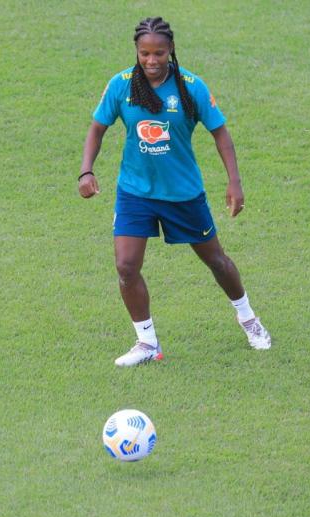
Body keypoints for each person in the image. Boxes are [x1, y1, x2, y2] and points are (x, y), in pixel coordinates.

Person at [78, 16, 271, 367]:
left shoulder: (190, 87)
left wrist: (234, 182)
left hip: (182, 194)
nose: (152, 61)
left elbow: (221, 135)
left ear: (171, 51)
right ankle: (147, 342)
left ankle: (248, 318)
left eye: (159, 54)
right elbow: (96, 129)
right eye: (144, 53)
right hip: (135, 192)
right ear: (137, 52)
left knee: (216, 260)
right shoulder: (122, 85)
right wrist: (86, 171)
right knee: (125, 266)